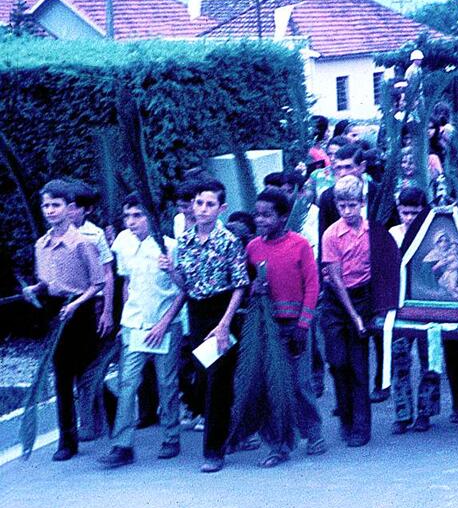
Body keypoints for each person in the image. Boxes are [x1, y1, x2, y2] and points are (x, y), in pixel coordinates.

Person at [162, 179, 249, 473]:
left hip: (222, 310)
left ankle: (214, 450)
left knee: (217, 382)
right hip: (197, 313)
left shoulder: (228, 241)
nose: (202, 209)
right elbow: (185, 286)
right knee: (200, 377)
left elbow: (239, 285)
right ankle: (235, 429)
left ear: (221, 208)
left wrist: (225, 324)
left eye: (210, 204)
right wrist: (171, 271)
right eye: (199, 203)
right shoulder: (185, 241)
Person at [100, 194, 186, 467]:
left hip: (165, 325)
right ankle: (122, 445)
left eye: (137, 215)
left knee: (166, 383)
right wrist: (125, 316)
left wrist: (163, 324)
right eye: (127, 216)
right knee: (127, 384)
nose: (131, 222)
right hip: (134, 325)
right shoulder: (123, 243)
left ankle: (172, 436)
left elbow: (183, 290)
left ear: (150, 217)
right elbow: (127, 282)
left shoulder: (170, 247)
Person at [23, 180, 105, 461]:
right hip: (55, 312)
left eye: (55, 205)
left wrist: (77, 304)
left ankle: (104, 417)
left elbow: (97, 283)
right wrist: (34, 289)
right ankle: (67, 440)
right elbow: (46, 282)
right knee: (62, 378)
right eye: (46, 205)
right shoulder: (41, 245)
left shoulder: (83, 243)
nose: (50, 211)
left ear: (69, 209)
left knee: (87, 372)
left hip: (79, 312)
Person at [247, 188, 326, 467]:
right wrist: (254, 289)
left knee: (300, 383)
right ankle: (278, 445)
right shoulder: (253, 248)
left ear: (282, 217)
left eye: (267, 215)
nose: (260, 219)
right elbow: (248, 284)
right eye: (258, 214)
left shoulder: (300, 245)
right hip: (267, 328)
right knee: (272, 385)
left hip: (297, 326)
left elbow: (313, 285)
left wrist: (304, 324)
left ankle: (313, 432)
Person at [320, 176, 374, 447]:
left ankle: (362, 427)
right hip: (336, 302)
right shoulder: (331, 234)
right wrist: (353, 316)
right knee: (338, 362)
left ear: (362, 204)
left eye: (352, 205)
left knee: (359, 366)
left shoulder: (371, 232)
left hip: (363, 297)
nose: (347, 211)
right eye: (342, 206)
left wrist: (364, 313)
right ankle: (346, 417)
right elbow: (336, 279)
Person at [388, 187, 441, 434]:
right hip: (399, 309)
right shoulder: (392, 235)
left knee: (429, 359)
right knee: (399, 361)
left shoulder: (433, 236)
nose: (409, 218)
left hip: (429, 307)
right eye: (405, 213)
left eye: (414, 213)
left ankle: (425, 413)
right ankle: (402, 414)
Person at [66, 182, 116, 442]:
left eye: (74, 208)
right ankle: (105, 412)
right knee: (74, 368)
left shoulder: (93, 235)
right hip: (69, 306)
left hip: (92, 305)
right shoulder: (56, 235)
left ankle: (92, 423)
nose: (69, 212)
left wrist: (107, 310)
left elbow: (107, 273)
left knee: (90, 367)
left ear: (85, 210)